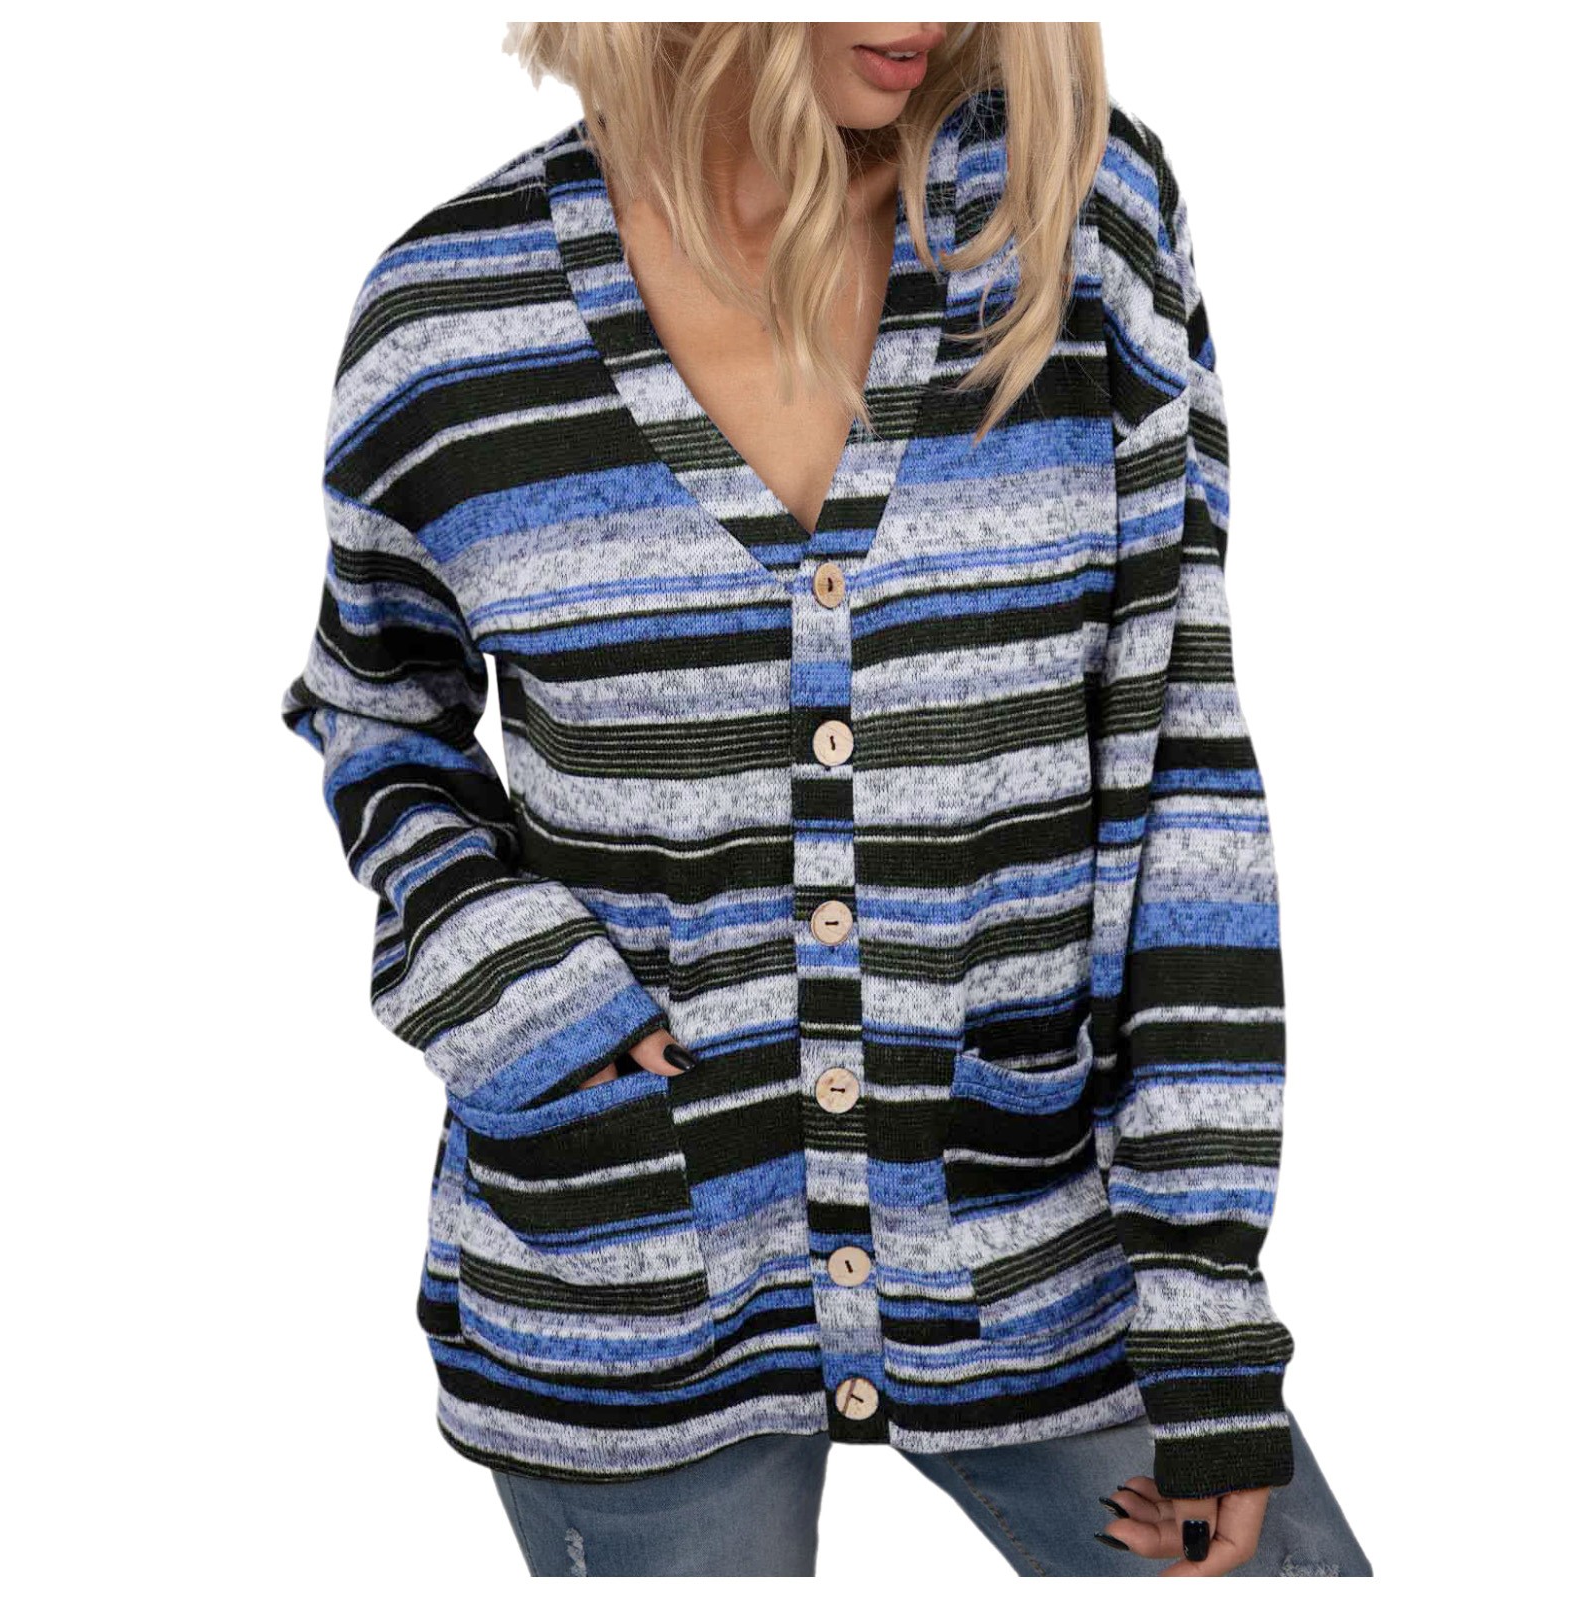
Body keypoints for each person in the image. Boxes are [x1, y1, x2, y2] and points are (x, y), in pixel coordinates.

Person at [279, 20, 1373, 1578]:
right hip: (626, 1257)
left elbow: (1178, 755)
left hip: (1041, 1235)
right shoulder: (450, 319)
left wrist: (1204, 1311)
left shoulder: (1076, 233)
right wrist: (524, 990)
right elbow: (377, 709)